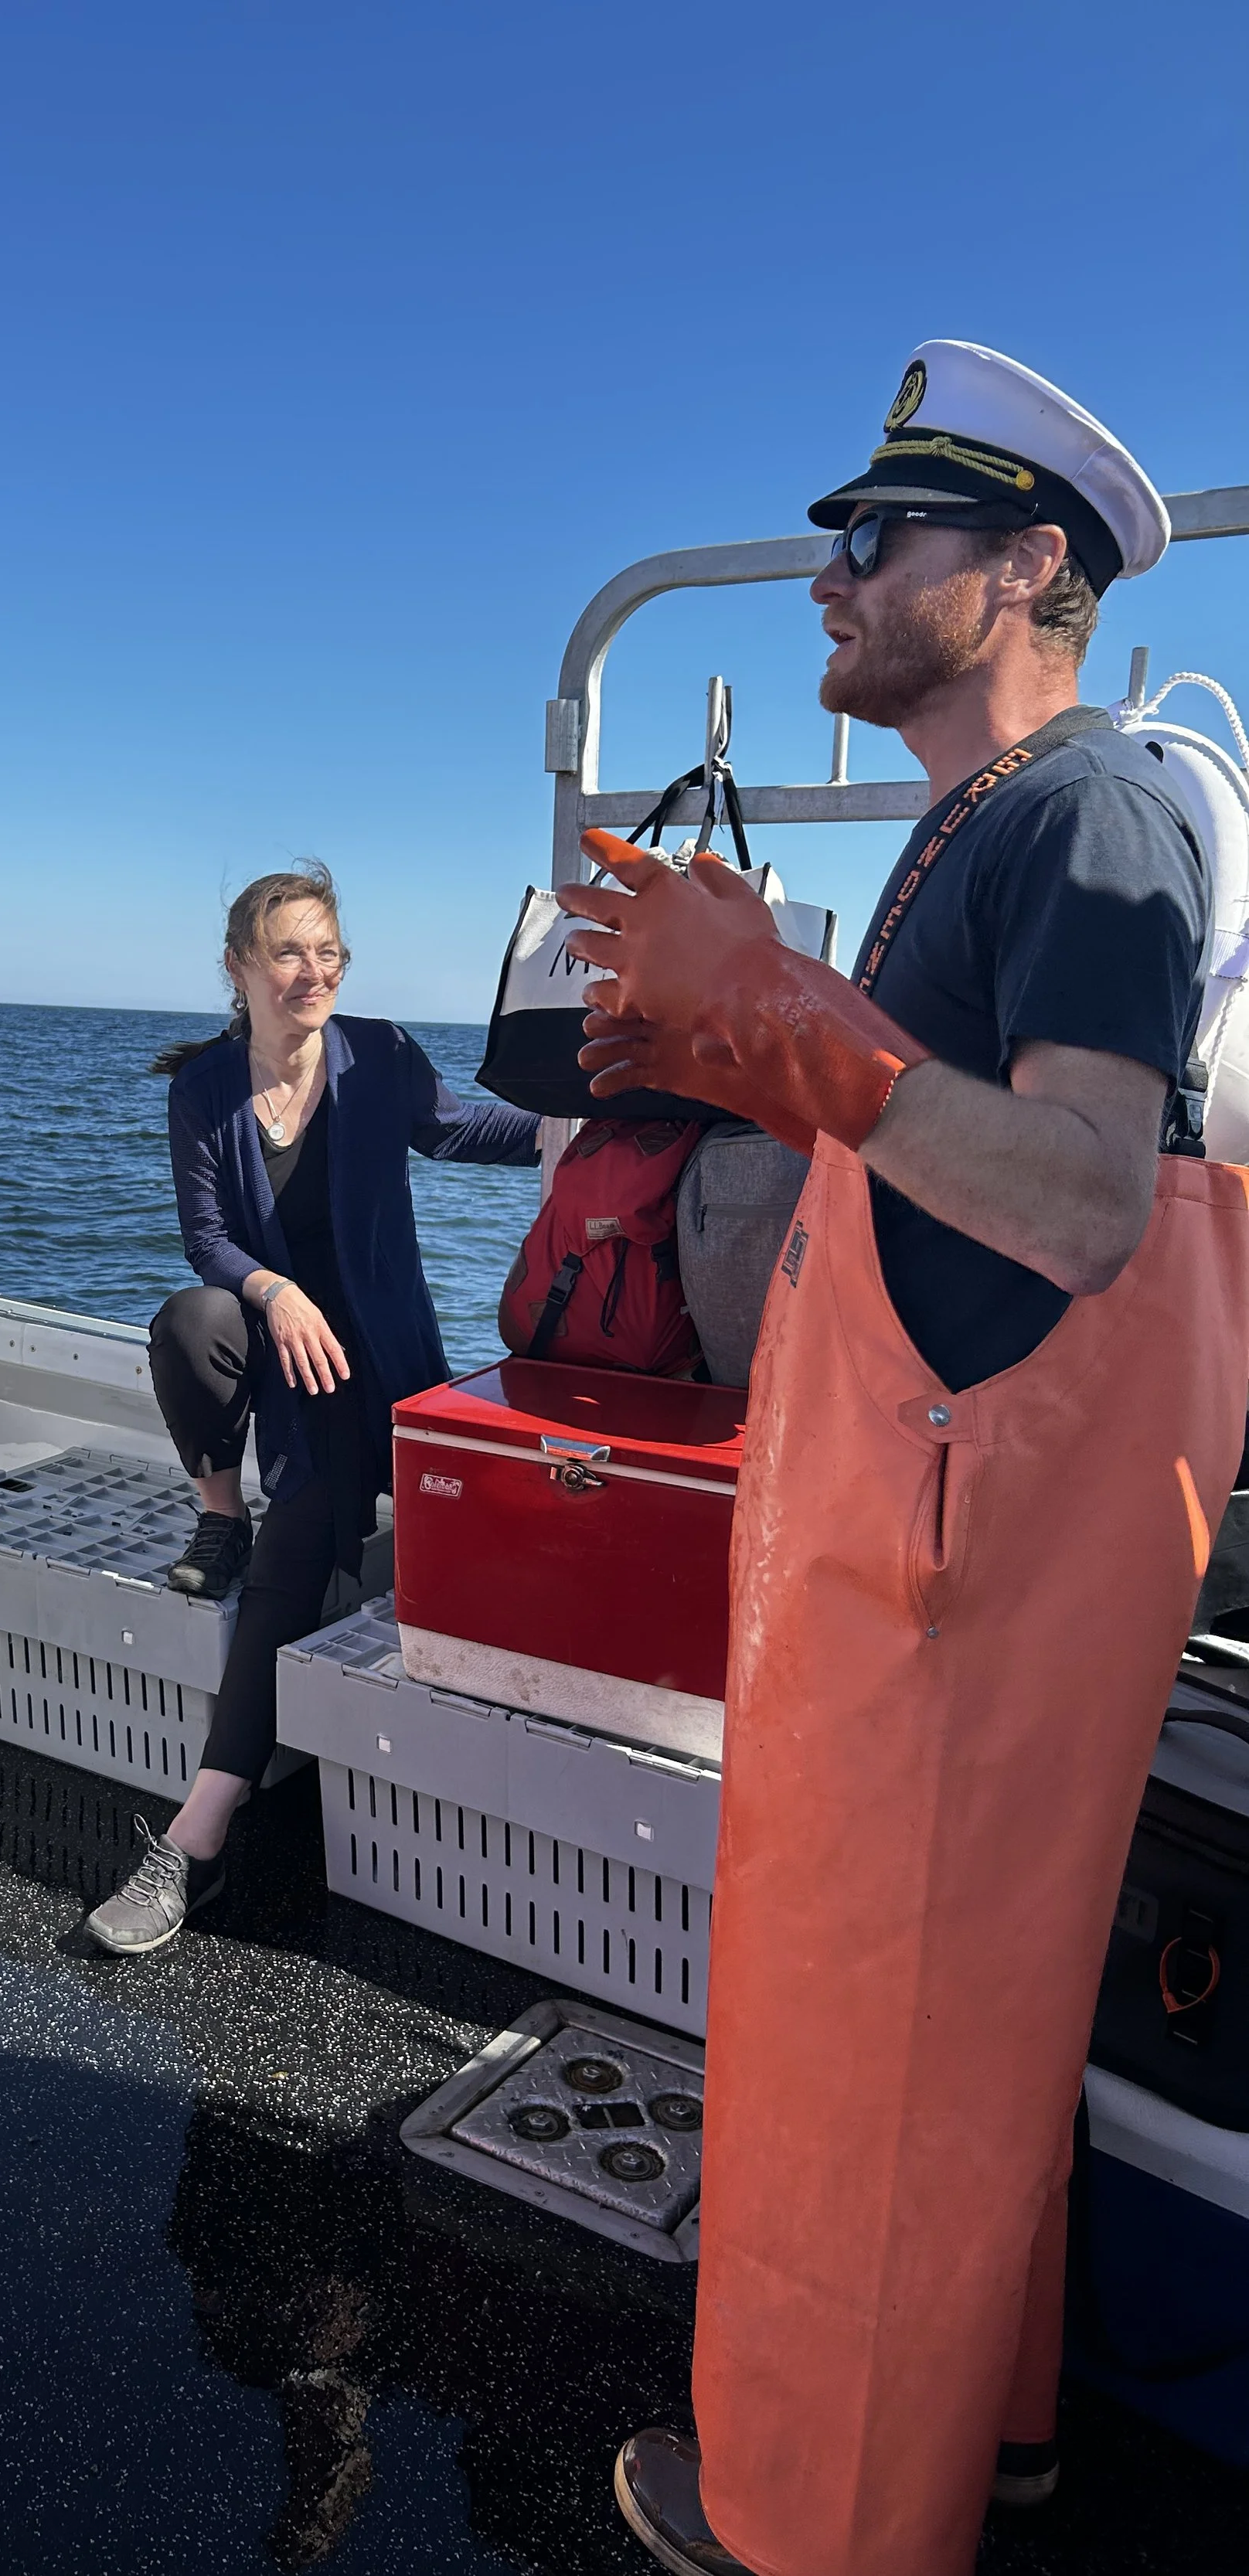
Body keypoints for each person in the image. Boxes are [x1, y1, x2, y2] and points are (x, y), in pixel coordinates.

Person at [557, 342, 1249, 2576]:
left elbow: (1073, 1195)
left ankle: (809, 2522)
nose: (828, 578)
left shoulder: (1092, 807)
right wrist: (732, 1032)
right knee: (946, 2033)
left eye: (880, 538)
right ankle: (988, 2435)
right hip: (907, 1527)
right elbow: (918, 1143)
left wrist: (781, 1019)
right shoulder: (974, 826)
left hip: (958, 1559)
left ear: (1026, 564)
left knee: (869, 2046)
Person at [85, 866, 540, 1955]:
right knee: (190, 1322)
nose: (313, 971)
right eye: (288, 951)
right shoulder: (203, 1086)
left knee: (307, 1532)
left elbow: (464, 1131)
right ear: (238, 967)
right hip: (273, 1340)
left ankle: (197, 1832)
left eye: (328, 950)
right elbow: (208, 1239)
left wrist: (587, 1120)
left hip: (372, 1366)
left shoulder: (378, 1054)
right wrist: (275, 1291)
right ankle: (218, 1514)